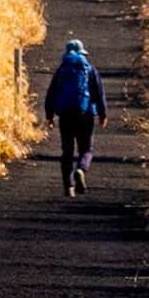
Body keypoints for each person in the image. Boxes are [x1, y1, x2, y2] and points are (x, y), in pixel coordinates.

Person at [44, 38, 107, 198]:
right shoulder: (90, 69)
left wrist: (49, 116)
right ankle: (81, 169)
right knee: (86, 149)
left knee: (67, 151)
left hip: (65, 115)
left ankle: (69, 186)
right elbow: (99, 93)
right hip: (85, 114)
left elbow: (51, 94)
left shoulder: (61, 70)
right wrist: (102, 114)